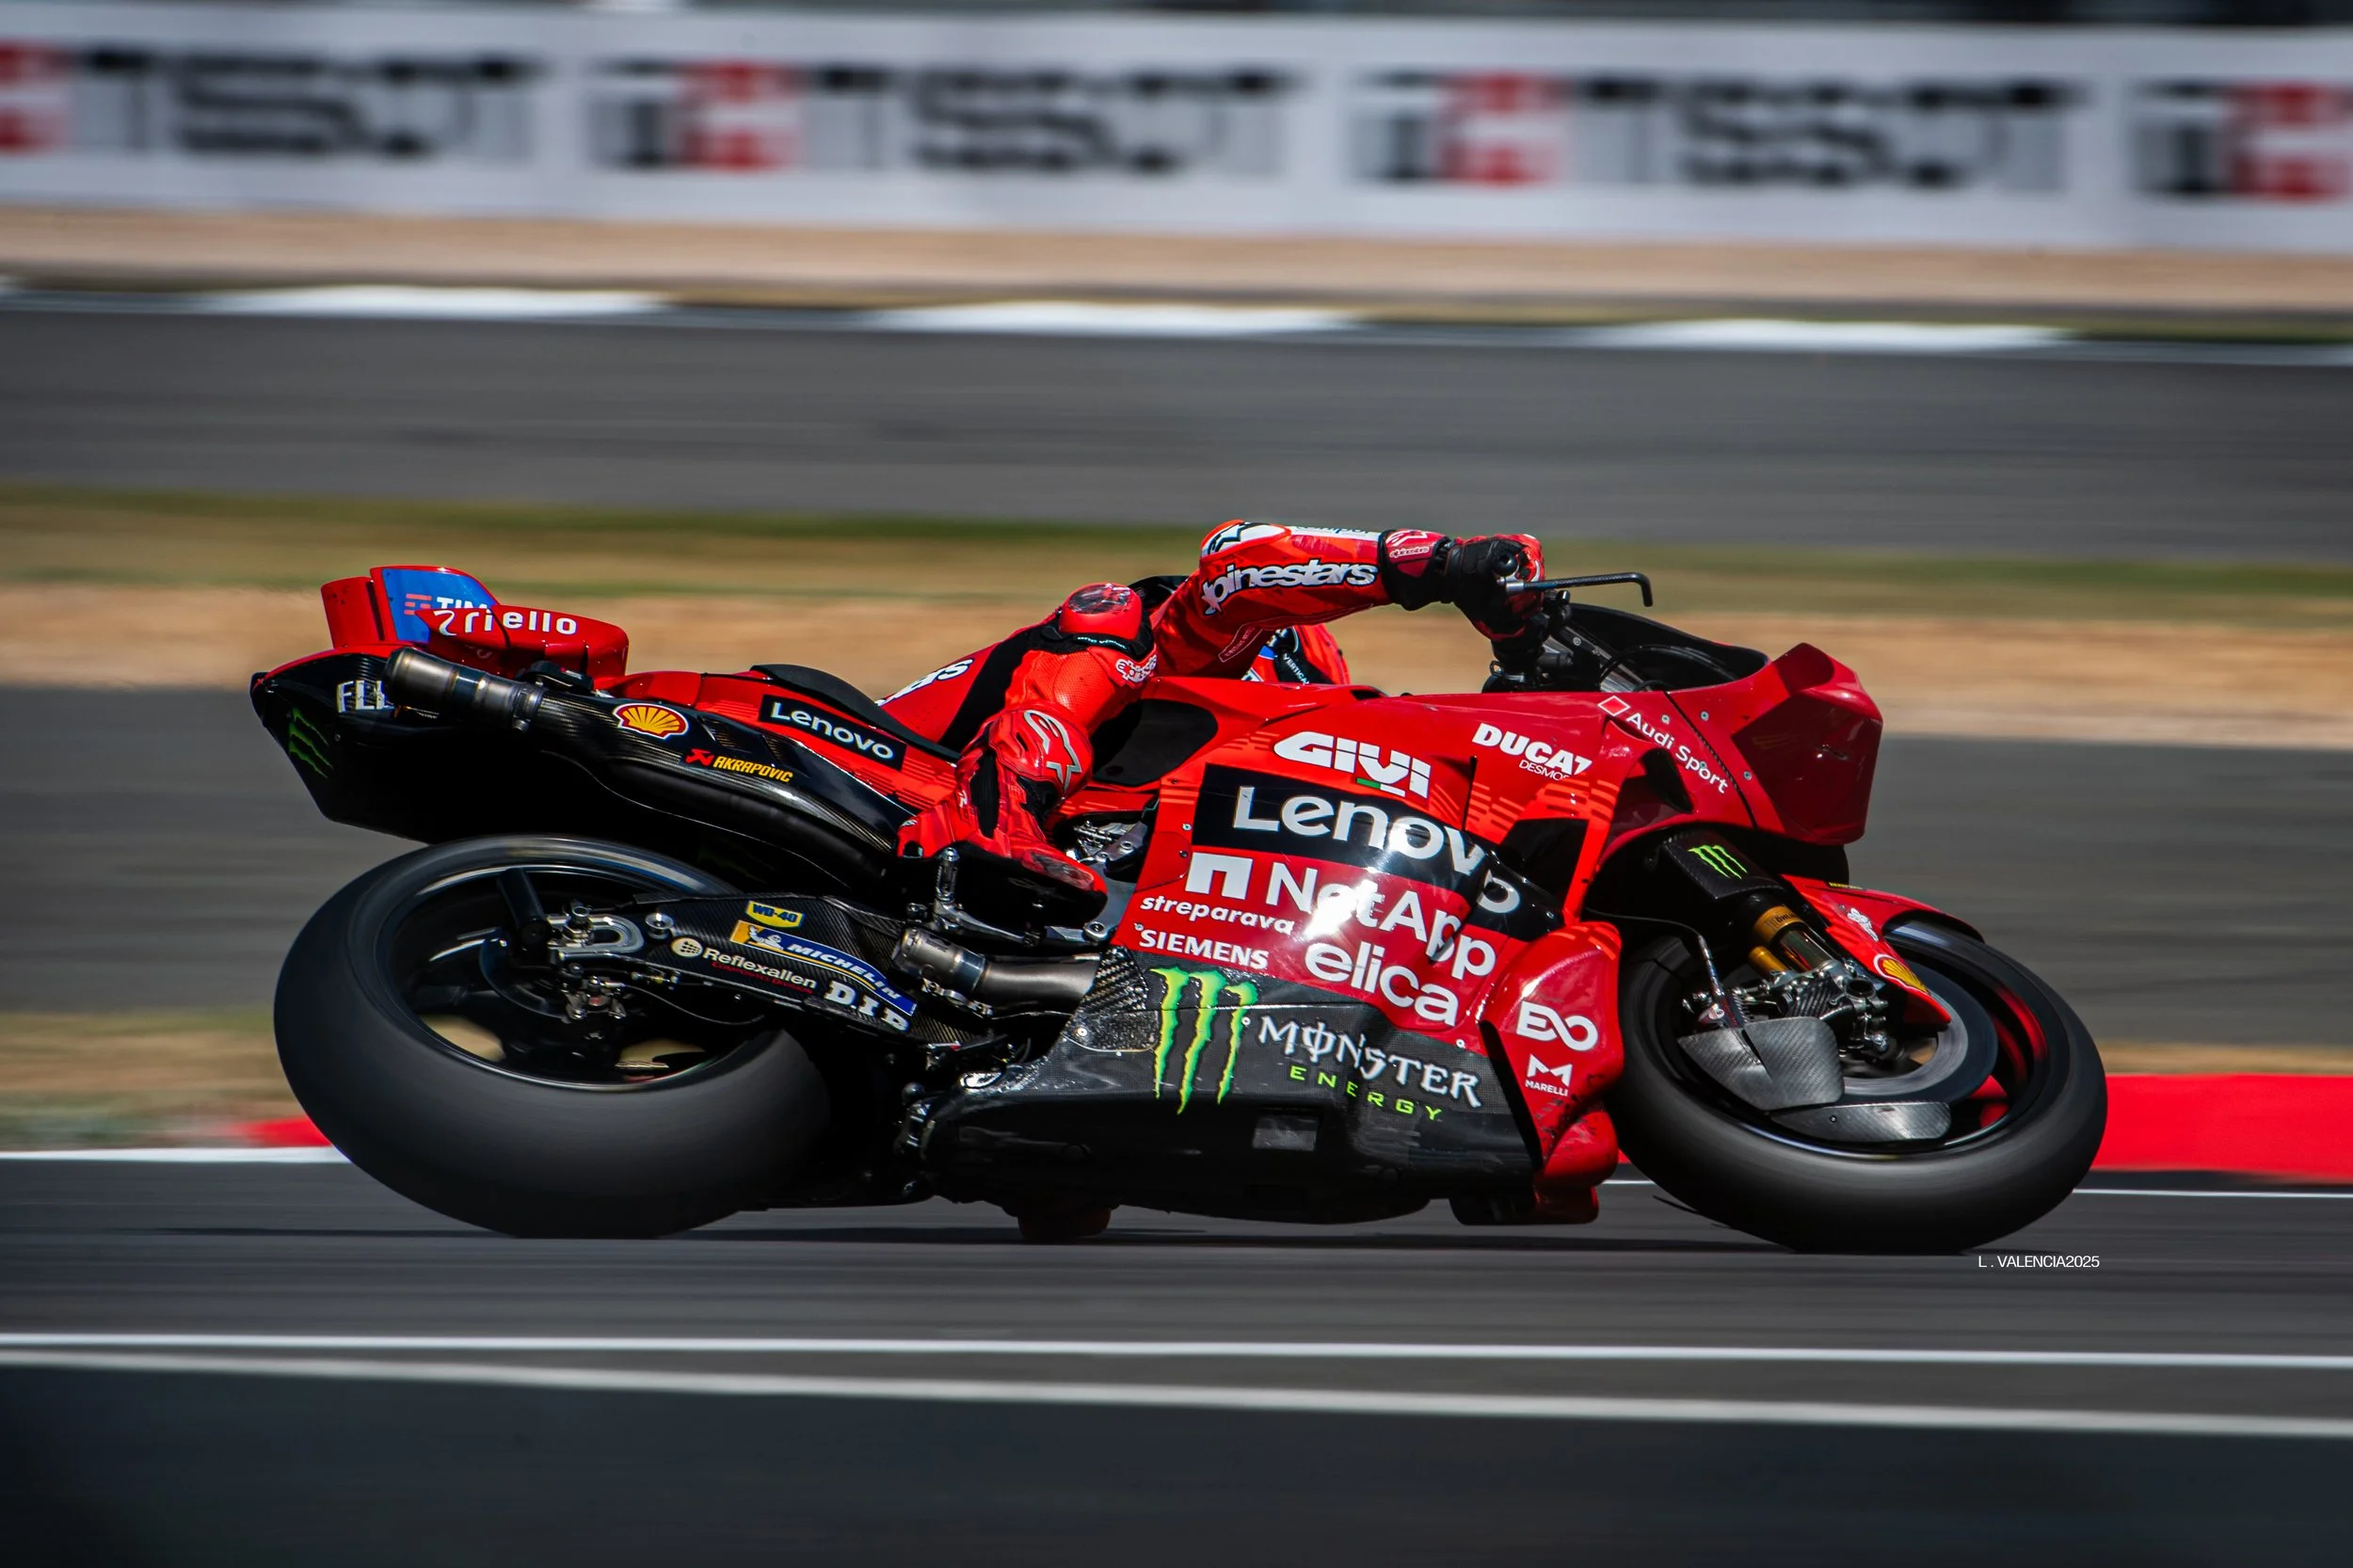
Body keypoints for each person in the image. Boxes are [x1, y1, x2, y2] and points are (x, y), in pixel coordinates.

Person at [882, 521, 1546, 914]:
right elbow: (1239, 558)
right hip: (897, 765)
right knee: (1111, 617)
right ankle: (990, 822)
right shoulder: (1210, 633)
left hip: (1095, 834)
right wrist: (1432, 564)